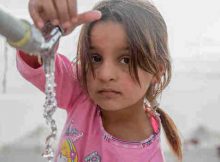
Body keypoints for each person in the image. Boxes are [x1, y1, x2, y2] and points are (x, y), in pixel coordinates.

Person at [16, 0, 183, 161]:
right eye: (96, 58)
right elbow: (38, 63)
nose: (105, 74)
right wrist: (43, 33)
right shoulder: (81, 89)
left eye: (126, 60)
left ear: (157, 70)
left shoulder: (147, 157)